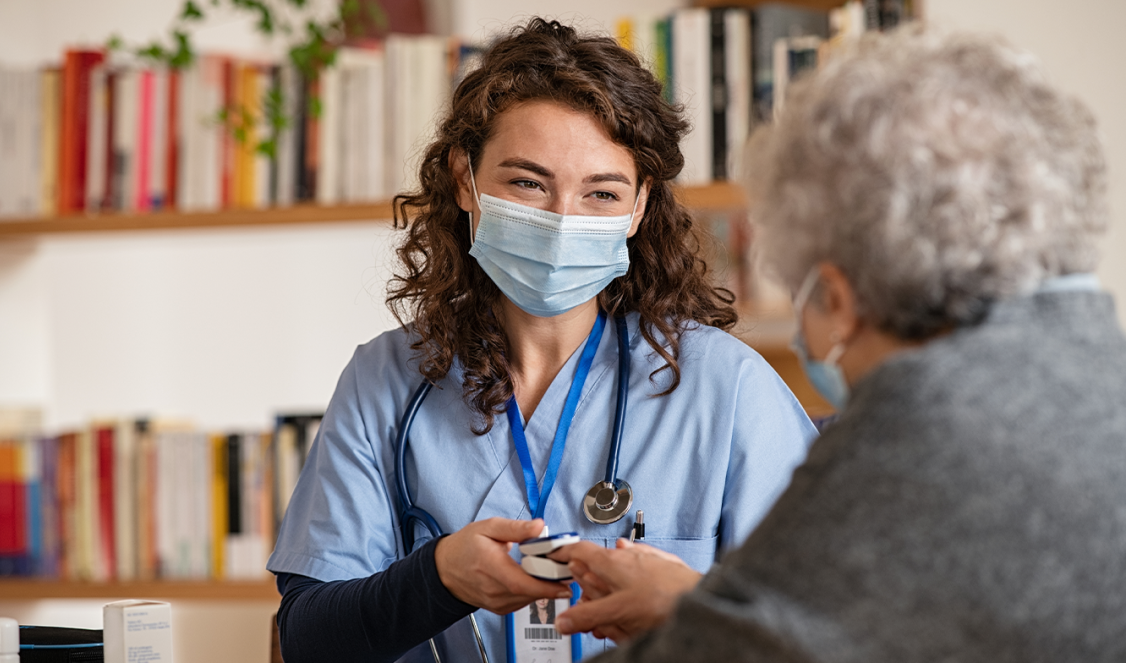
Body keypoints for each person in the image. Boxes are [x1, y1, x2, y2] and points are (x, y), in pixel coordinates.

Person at [552, 23, 1126, 661]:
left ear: (840, 301)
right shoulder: (1095, 361)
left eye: (801, 293)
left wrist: (695, 618)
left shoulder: (915, 426)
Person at [266, 18, 816, 663]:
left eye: (602, 193)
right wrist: (438, 577)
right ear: (464, 178)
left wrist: (689, 608)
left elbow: (827, 632)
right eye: (527, 183)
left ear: (639, 207)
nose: (561, 221)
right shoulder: (387, 381)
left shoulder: (727, 388)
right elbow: (304, 640)